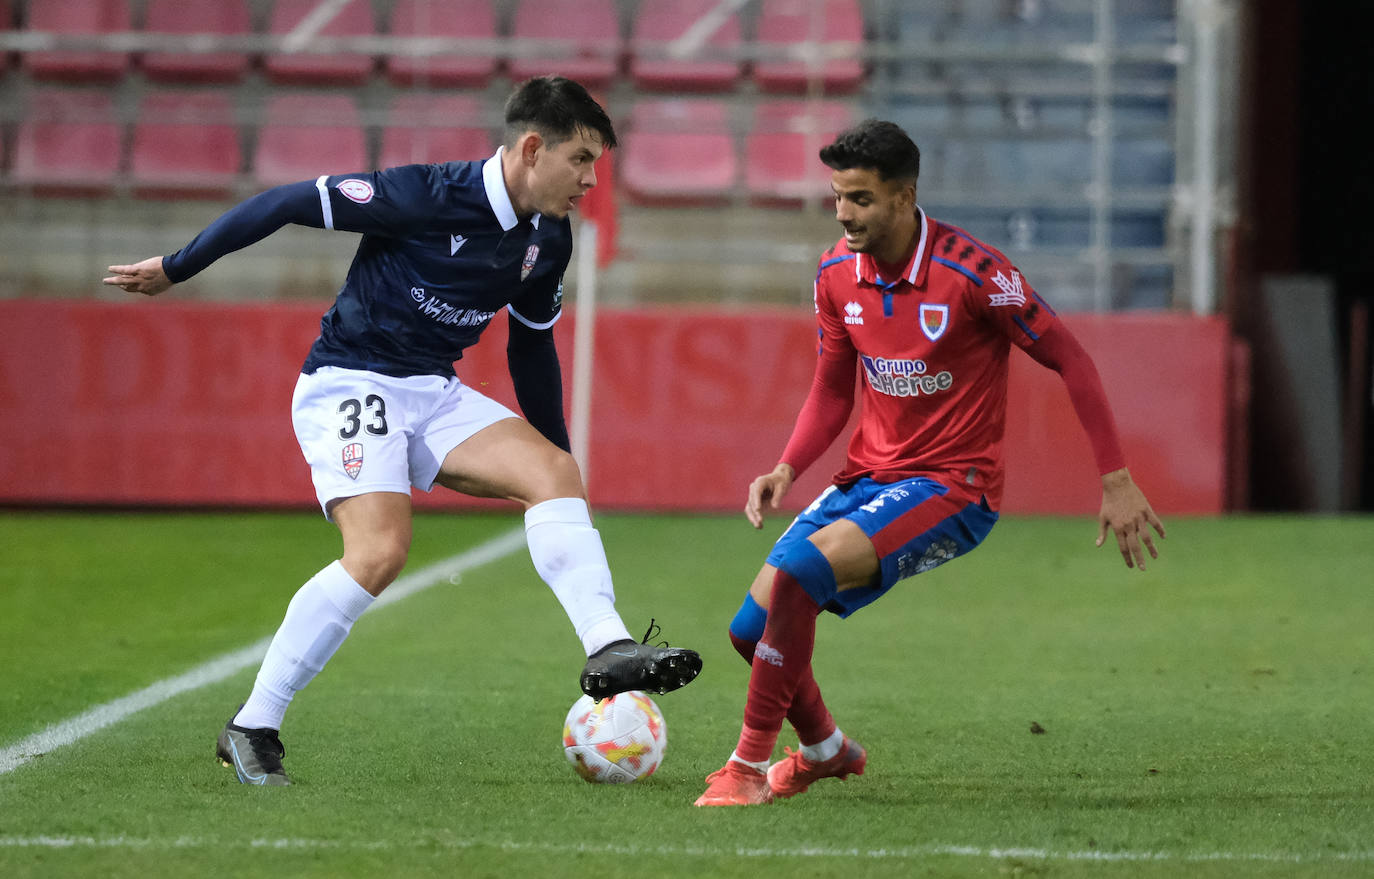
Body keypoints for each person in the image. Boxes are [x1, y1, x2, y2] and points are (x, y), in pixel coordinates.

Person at [103, 75, 701, 787]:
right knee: (381, 549)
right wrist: (176, 267)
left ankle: (608, 647)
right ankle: (253, 724)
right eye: (581, 160)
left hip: (431, 389)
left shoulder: (549, 237)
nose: (591, 180)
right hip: (349, 380)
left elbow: (531, 345)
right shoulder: (425, 193)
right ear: (532, 149)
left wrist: (554, 455)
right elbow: (287, 202)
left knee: (555, 474)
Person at [694, 119, 1165, 807]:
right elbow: (832, 391)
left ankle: (744, 768)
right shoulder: (834, 274)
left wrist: (1115, 478)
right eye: (837, 196)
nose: (843, 213)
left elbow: (1072, 358)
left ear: (904, 195)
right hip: (869, 478)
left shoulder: (977, 274)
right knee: (748, 629)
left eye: (859, 198)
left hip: (956, 487)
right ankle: (826, 750)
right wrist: (788, 467)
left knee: (798, 575)